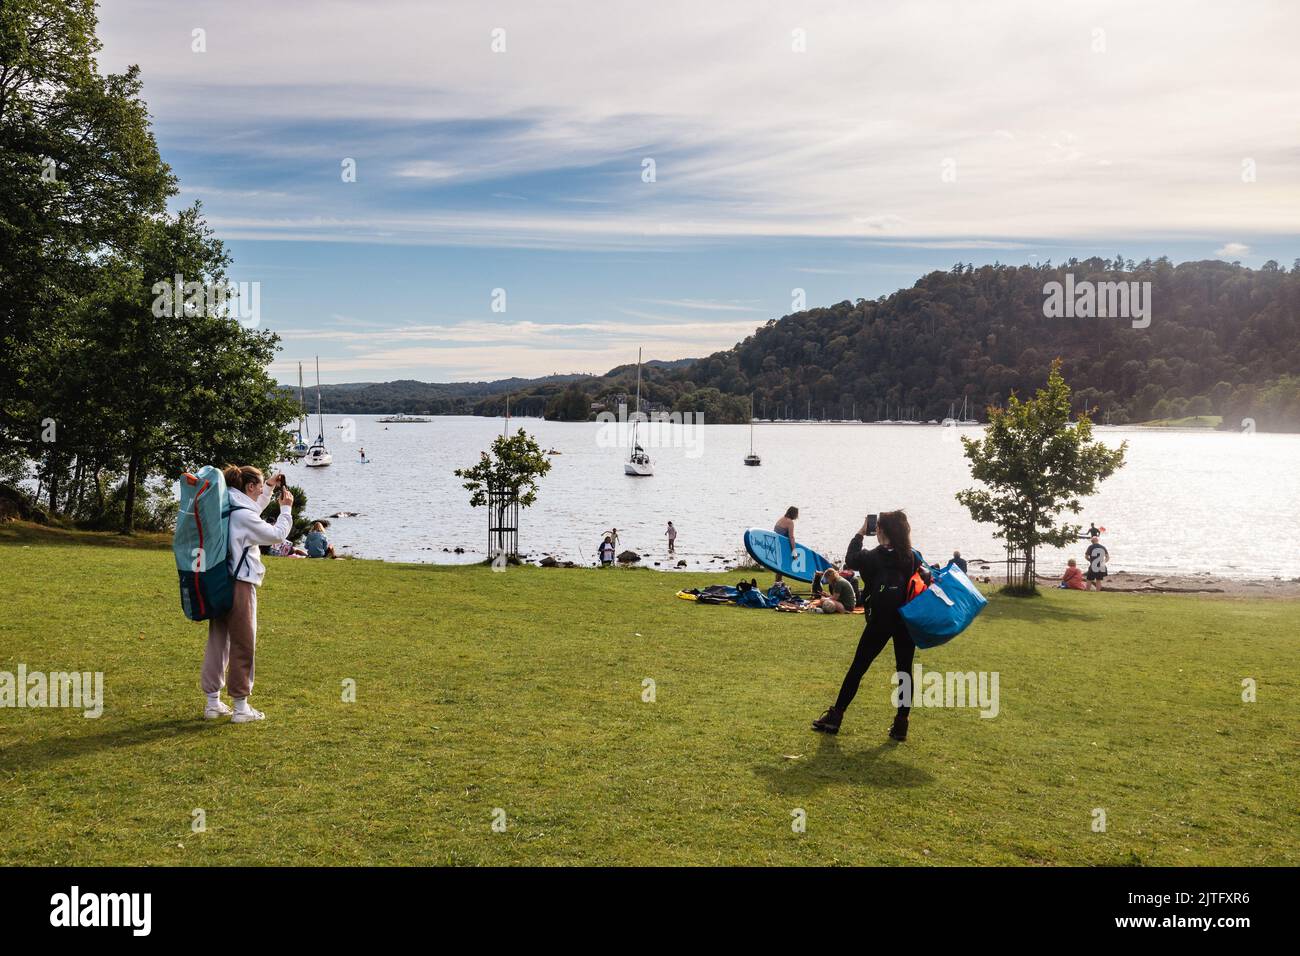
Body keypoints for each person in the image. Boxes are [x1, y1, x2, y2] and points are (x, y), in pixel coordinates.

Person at [812, 510, 927, 742]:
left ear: (880, 530)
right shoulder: (912, 556)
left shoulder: (872, 557)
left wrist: (861, 531)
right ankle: (901, 725)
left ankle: (835, 717)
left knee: (858, 667)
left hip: (879, 621)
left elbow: (850, 559)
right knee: (904, 671)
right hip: (905, 620)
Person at [201, 465, 293, 723]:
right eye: (260, 485)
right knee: (243, 642)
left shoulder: (225, 506)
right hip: (240, 584)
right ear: (249, 487)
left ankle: (212, 703)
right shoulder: (243, 515)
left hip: (218, 581)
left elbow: (251, 510)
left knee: (218, 641)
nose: (260, 490)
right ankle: (241, 707)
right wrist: (285, 509)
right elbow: (275, 536)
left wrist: (270, 487)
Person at [773, 506, 798, 583]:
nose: (797, 516)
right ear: (793, 514)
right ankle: (778, 584)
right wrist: (794, 552)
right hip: (781, 546)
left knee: (779, 567)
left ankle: (778, 583)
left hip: (776, 544)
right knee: (781, 567)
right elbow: (791, 537)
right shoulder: (790, 522)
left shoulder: (781, 519)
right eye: (797, 514)